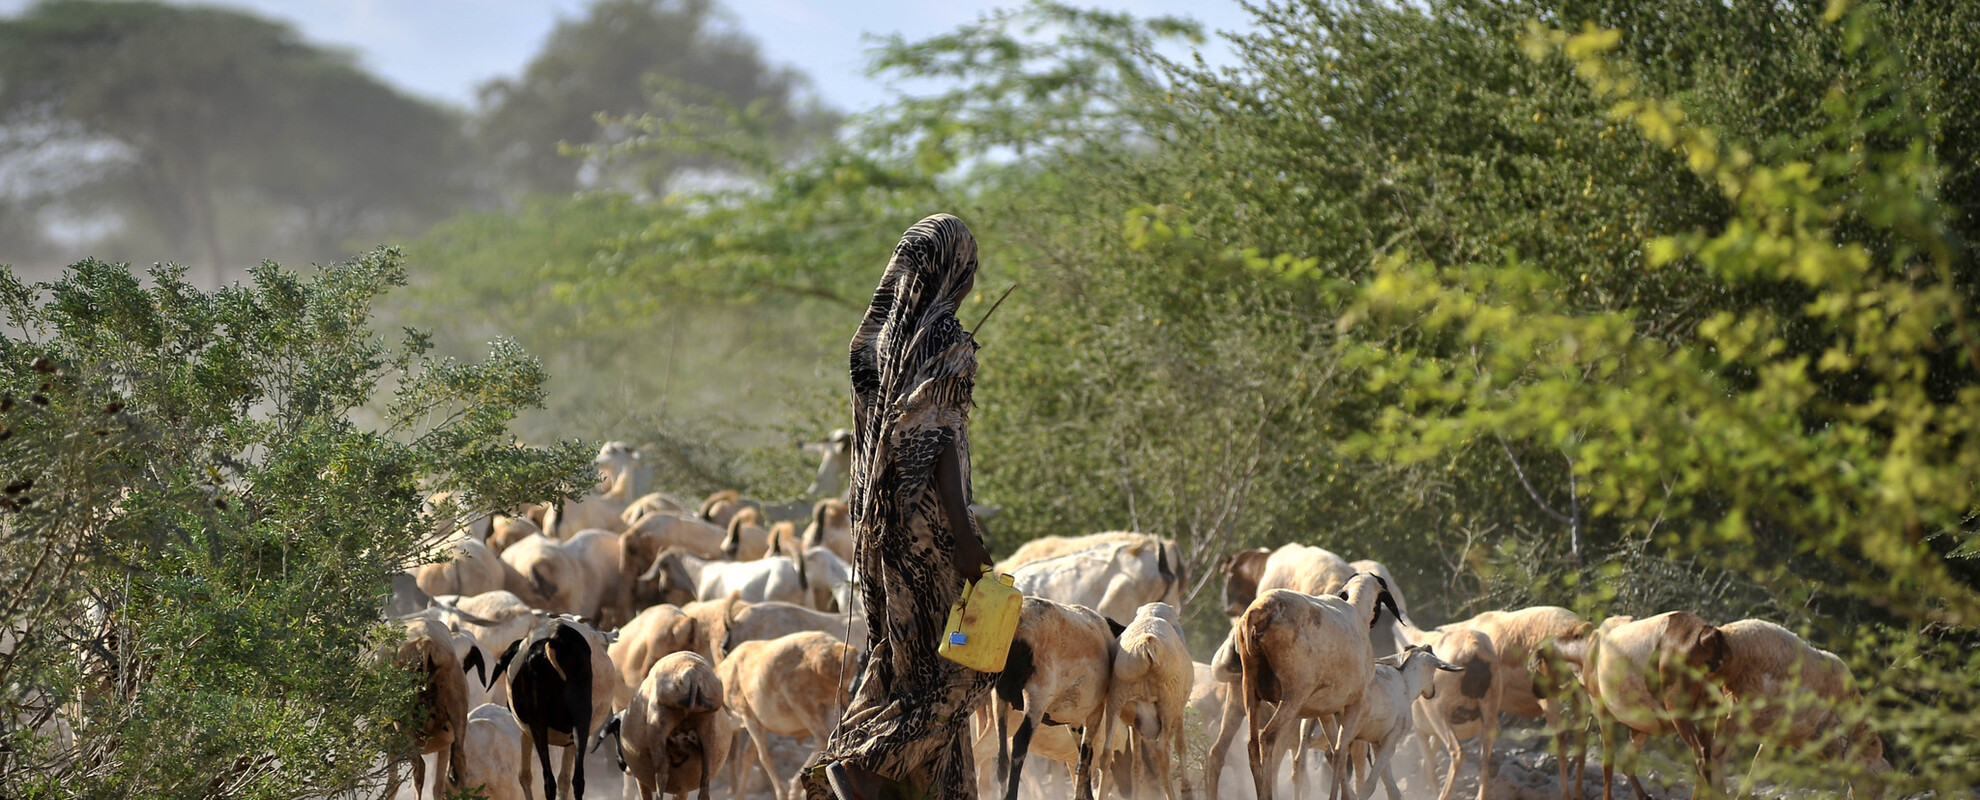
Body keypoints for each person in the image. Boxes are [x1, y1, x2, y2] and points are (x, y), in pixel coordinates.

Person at [802, 213, 998, 800]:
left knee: (904, 667)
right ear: (953, 267)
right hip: (930, 528)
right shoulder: (943, 337)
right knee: (969, 664)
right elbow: (934, 436)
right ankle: (865, 762)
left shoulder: (877, 341)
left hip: (876, 526)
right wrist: (964, 537)